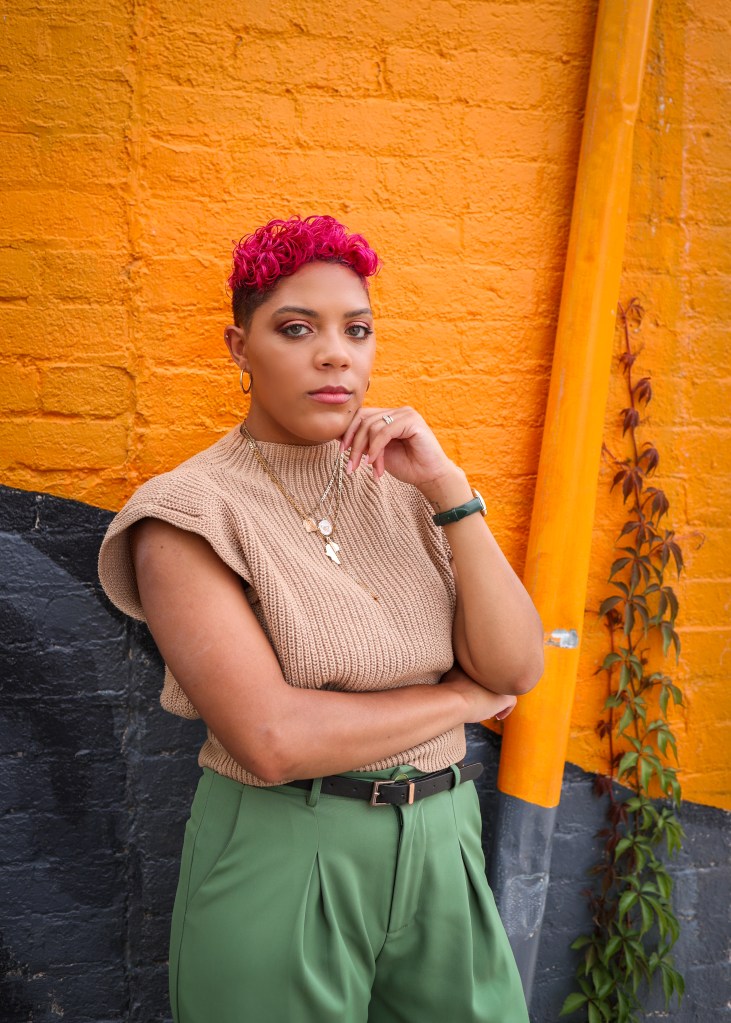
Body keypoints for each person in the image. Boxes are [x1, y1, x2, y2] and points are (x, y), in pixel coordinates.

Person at [98, 214, 543, 1023]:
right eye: (295, 328)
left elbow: (515, 667)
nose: (335, 353)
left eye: (357, 329)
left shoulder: (408, 486)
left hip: (445, 837)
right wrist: (460, 702)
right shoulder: (187, 513)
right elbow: (271, 740)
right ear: (239, 348)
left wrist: (448, 489)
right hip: (283, 845)